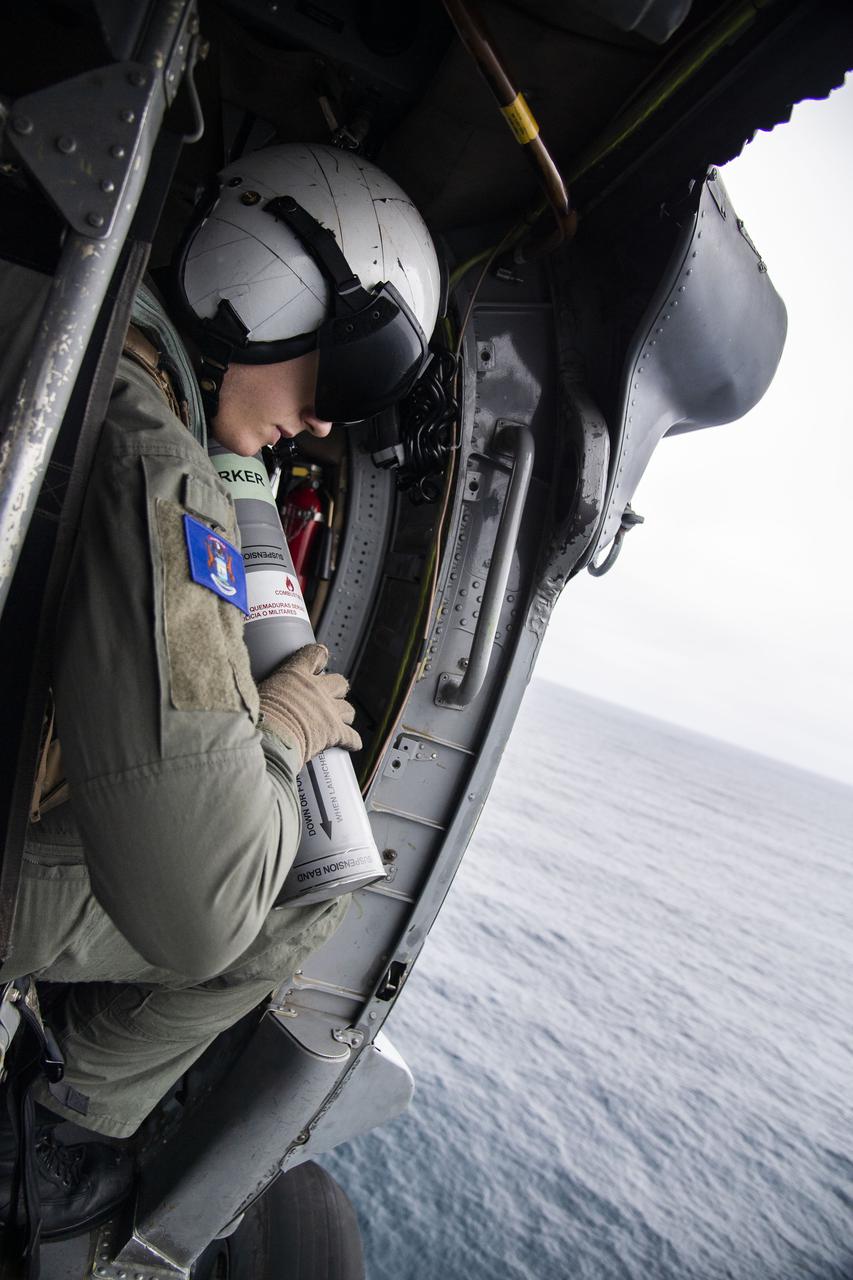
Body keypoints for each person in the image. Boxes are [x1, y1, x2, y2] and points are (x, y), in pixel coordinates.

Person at [0, 143, 441, 1239]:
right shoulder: (157, 462)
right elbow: (200, 914)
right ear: (264, 293)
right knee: (302, 888)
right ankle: (53, 1134)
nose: (328, 423)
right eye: (341, 374)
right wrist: (282, 729)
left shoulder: (46, 316)